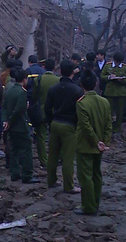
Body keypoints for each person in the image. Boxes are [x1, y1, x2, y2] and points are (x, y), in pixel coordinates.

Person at [74, 70, 112, 215]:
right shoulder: (105, 101)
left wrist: (96, 142)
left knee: (85, 177)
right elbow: (109, 124)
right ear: (96, 84)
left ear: (81, 84)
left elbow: (86, 126)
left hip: (85, 145)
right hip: (100, 146)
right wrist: (104, 142)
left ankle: (88, 207)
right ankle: (95, 203)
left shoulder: (82, 103)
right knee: (97, 174)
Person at [45, 60, 83, 193]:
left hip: (55, 123)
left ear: (60, 71)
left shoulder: (53, 89)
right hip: (69, 125)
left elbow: (47, 108)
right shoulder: (77, 90)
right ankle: (69, 186)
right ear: (73, 72)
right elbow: (80, 111)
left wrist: (50, 122)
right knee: (67, 157)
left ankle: (51, 180)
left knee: (53, 155)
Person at [3, 70, 40, 184]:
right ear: (24, 79)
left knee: (14, 149)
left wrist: (5, 121)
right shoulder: (22, 92)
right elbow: (18, 110)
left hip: (10, 127)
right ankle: (27, 175)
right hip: (20, 125)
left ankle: (15, 173)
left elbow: (4, 106)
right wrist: (10, 121)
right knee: (26, 150)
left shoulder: (9, 90)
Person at [32, 58, 60, 168]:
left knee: (41, 137)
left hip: (41, 112)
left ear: (44, 67)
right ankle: (57, 158)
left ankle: (43, 160)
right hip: (55, 112)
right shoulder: (58, 80)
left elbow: (34, 97)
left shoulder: (38, 80)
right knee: (56, 137)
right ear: (54, 67)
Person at [101, 52, 126, 132]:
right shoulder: (108, 66)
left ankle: (117, 128)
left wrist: (121, 80)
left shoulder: (125, 67)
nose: (117, 64)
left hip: (120, 92)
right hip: (110, 91)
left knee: (119, 111)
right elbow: (102, 76)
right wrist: (109, 77)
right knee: (108, 110)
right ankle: (108, 127)